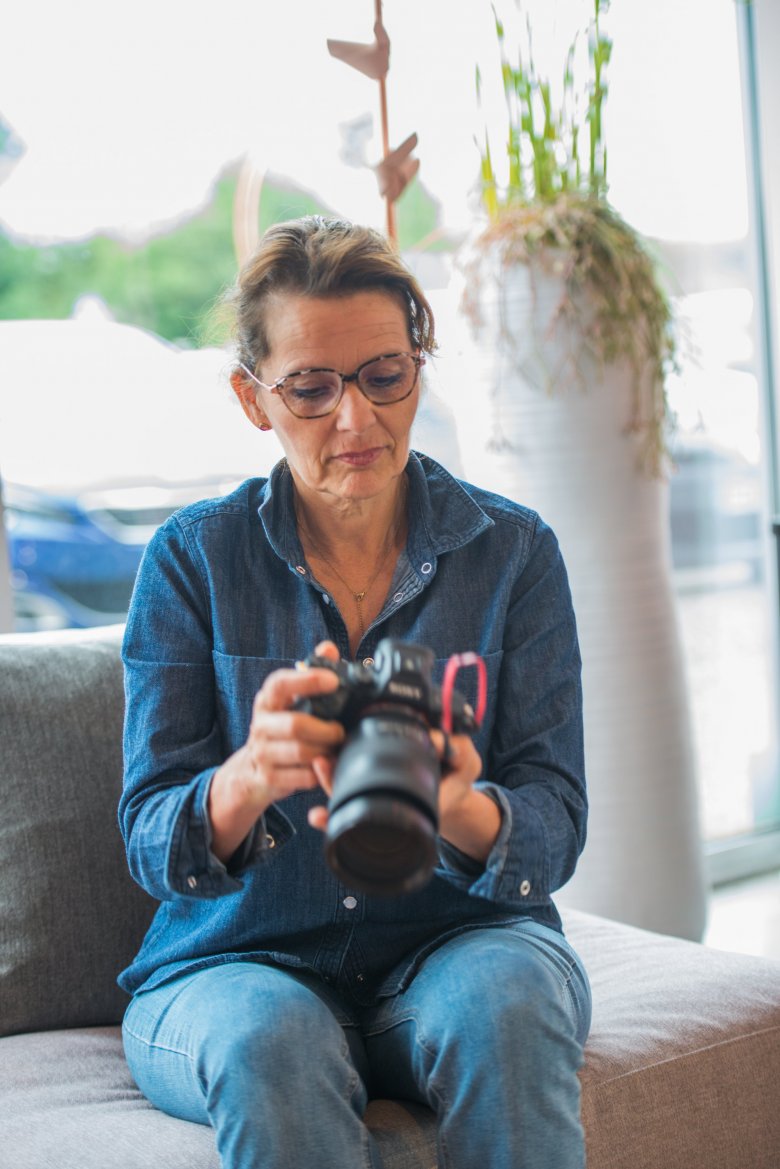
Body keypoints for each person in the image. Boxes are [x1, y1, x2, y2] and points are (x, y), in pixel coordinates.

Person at [118, 215, 591, 1169]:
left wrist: (457, 805)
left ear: (419, 363)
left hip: (460, 943)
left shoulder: (514, 555)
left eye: (385, 374)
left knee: (508, 1005)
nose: (355, 419)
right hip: (236, 959)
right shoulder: (193, 561)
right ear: (254, 399)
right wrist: (248, 778)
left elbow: (556, 819)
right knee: (270, 1041)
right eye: (311, 387)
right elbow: (146, 832)